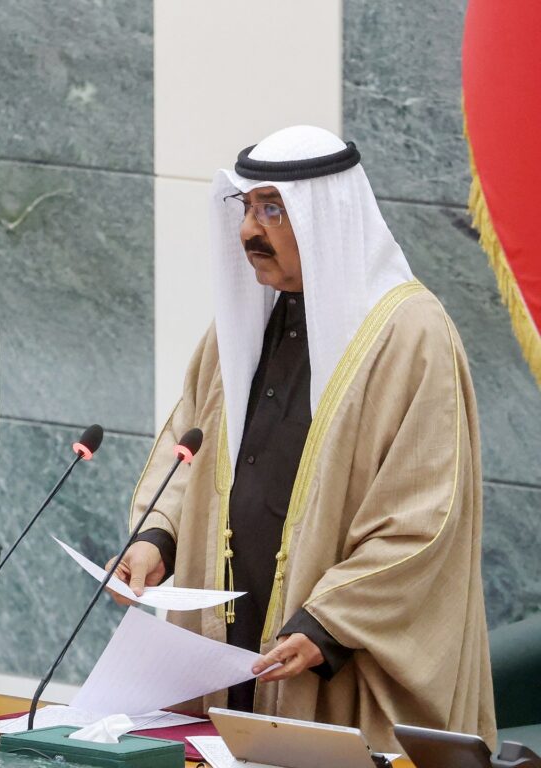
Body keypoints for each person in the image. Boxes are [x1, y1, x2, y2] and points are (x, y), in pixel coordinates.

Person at [110, 125, 496, 750]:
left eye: (272, 210)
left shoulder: (410, 336)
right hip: (227, 640)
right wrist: (158, 537)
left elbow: (425, 520)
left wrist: (326, 625)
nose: (247, 231)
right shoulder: (242, 323)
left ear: (326, 219)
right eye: (246, 208)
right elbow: (190, 448)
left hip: (331, 652)